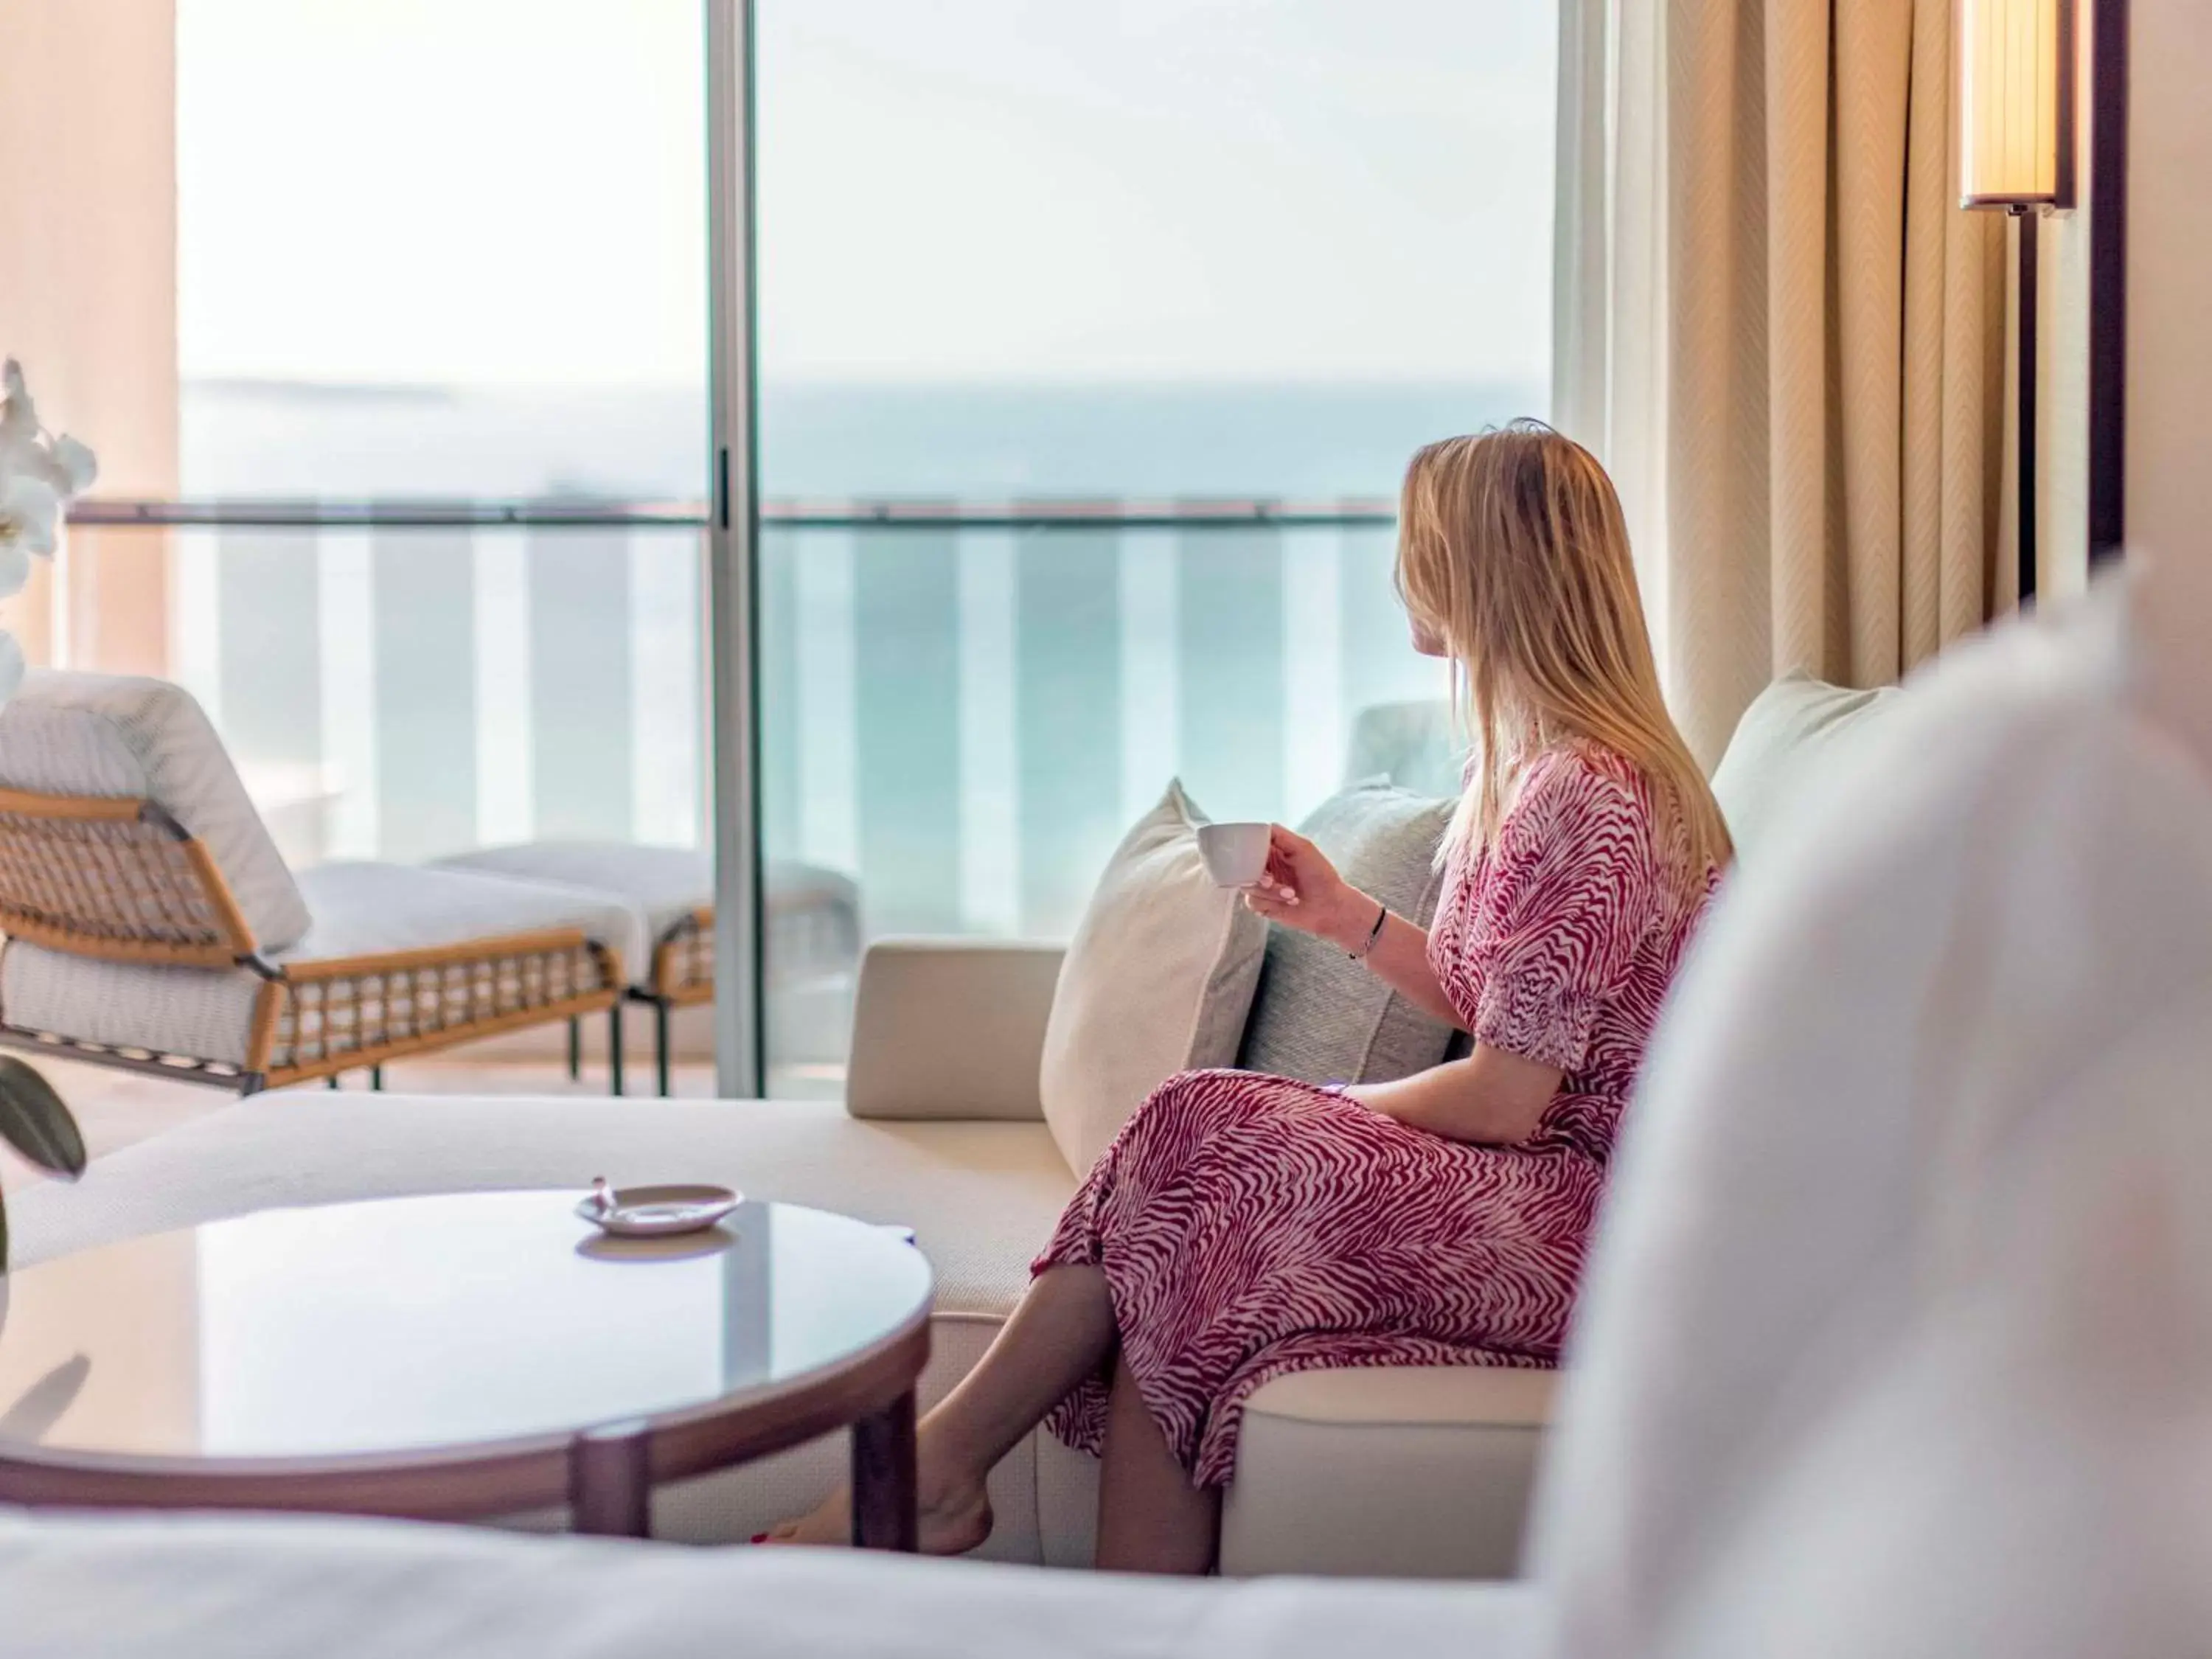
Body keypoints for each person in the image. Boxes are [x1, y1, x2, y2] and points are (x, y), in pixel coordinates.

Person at [768, 420, 1727, 1569]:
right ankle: (999, 1518)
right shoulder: (1533, 767)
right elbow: (1507, 1006)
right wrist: (1347, 919)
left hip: (1592, 1225)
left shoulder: (1587, 793)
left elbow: (1507, 1096)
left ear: (1481, 567)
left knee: (1205, 1134)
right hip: (1544, 1185)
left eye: (1416, 543)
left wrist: (1315, 1110)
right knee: (1191, 1217)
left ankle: (934, 1473)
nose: (1396, 573)